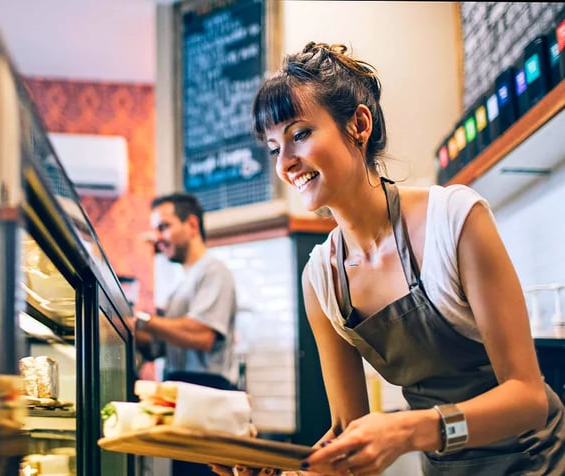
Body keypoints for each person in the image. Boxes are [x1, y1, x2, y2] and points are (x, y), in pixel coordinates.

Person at [213, 41, 565, 476]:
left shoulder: (453, 220)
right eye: (272, 148)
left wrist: (406, 432)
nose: (285, 163)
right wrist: (280, 466)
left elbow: (528, 400)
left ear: (358, 124)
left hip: (537, 460)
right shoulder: (322, 279)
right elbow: (349, 430)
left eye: (299, 134)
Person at [128, 192, 239, 476]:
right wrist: (120, 325)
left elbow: (202, 336)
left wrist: (143, 321)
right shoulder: (183, 284)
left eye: (163, 227)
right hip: (183, 392)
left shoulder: (214, 271)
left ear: (191, 225)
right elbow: (156, 347)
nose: (157, 238)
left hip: (206, 394)